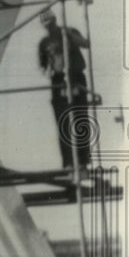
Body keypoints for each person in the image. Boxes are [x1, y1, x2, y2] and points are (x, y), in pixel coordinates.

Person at [38, 10, 91, 171]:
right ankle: (68, 163)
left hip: (76, 77)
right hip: (59, 81)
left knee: (80, 119)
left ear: (55, 20)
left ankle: (82, 161)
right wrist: (50, 72)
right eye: (46, 25)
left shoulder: (69, 31)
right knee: (63, 122)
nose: (50, 27)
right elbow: (43, 66)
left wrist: (69, 36)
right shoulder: (44, 42)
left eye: (51, 23)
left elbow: (86, 44)